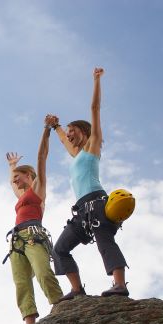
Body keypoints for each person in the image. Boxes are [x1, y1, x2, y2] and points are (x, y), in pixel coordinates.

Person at [46, 67, 129, 299]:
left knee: (105, 241)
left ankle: (120, 285)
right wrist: (56, 126)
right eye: (68, 132)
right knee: (60, 249)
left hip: (97, 203)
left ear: (83, 131)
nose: (69, 135)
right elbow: (62, 139)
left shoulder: (93, 146)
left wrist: (96, 81)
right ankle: (76, 290)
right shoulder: (77, 155)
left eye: (72, 131)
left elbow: (95, 109)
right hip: (81, 210)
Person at [4, 122, 63, 324]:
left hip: (33, 235)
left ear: (29, 176)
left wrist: (46, 131)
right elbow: (12, 183)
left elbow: (41, 159)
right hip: (16, 240)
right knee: (21, 282)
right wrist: (12, 166)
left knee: (42, 271)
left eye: (18, 177)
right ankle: (30, 323)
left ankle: (60, 305)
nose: (15, 181)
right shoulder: (21, 195)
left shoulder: (37, 189)